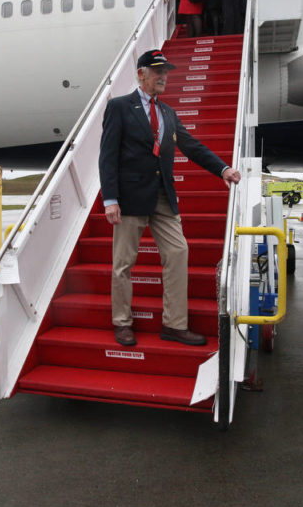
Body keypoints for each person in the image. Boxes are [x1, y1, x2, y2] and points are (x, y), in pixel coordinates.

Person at [99, 49, 241, 347]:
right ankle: (122, 322)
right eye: (157, 71)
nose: (163, 76)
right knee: (123, 263)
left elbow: (191, 146)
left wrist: (223, 168)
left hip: (163, 196)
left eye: (165, 72)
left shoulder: (168, 113)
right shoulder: (120, 107)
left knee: (178, 253)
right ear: (141, 74)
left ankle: (174, 324)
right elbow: (108, 156)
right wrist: (110, 198)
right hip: (129, 197)